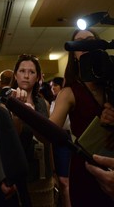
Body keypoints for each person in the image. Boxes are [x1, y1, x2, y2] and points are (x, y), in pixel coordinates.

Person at [49, 29, 114, 206]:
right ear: (74, 54)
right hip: (84, 168)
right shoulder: (69, 92)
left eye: (90, 40)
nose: (85, 45)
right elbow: (49, 132)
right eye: (80, 43)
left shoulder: (111, 84)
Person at [9, 54, 55, 206]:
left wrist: (52, 171)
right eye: (22, 71)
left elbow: (49, 141)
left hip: (44, 175)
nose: (26, 76)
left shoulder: (43, 103)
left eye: (32, 72)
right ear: (15, 75)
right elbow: (10, 141)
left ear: (38, 77)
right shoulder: (6, 104)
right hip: (22, 175)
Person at [50, 77, 72, 207]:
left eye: (55, 86)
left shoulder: (68, 98)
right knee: (59, 179)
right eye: (51, 86)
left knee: (65, 180)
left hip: (66, 139)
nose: (53, 88)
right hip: (55, 140)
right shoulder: (52, 102)